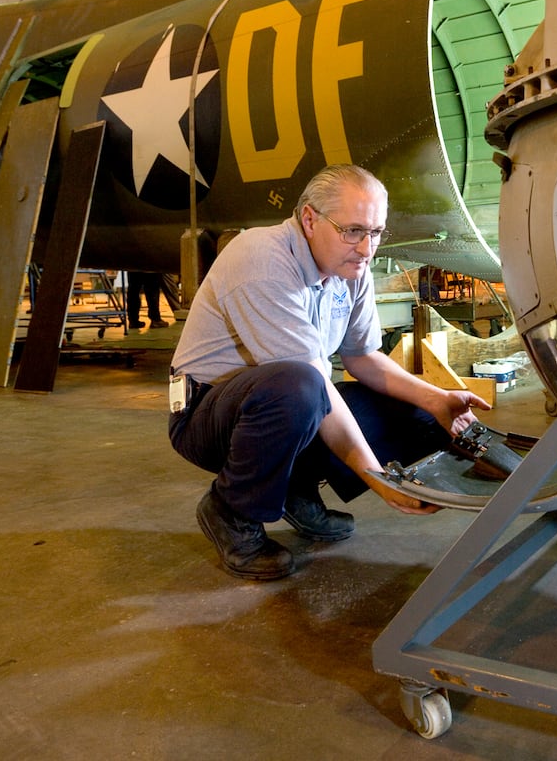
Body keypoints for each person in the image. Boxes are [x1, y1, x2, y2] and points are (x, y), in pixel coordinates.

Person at [167, 164, 490, 580]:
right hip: (207, 417)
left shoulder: (350, 268)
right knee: (298, 388)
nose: (367, 248)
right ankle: (231, 509)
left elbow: (363, 357)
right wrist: (377, 477)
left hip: (285, 401)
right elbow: (311, 379)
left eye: (376, 233)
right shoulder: (261, 259)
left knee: (413, 408)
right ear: (309, 219)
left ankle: (293, 489)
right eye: (353, 231)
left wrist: (437, 399)